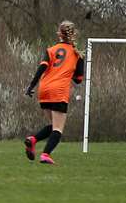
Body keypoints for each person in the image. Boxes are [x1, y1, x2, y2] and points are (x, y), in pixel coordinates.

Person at [25, 20, 85, 165]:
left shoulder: (51, 50)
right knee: (58, 128)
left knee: (52, 125)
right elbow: (78, 80)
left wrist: (31, 86)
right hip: (59, 91)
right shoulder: (77, 55)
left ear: (59, 34)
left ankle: (33, 140)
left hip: (44, 89)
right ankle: (45, 154)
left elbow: (42, 68)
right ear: (73, 35)